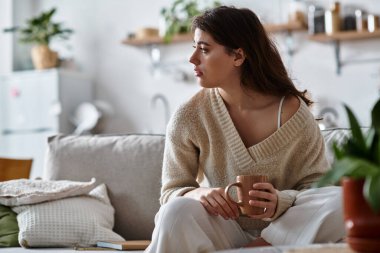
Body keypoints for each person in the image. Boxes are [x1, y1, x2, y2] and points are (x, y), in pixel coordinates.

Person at [145, 5, 344, 253]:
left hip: (285, 233)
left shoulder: (293, 113)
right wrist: (198, 194)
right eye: (194, 47)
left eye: (204, 49)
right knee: (175, 212)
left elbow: (317, 188)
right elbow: (170, 193)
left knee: (341, 200)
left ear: (238, 56)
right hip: (223, 233)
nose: (192, 58)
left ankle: (259, 248)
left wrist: (279, 202)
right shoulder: (188, 116)